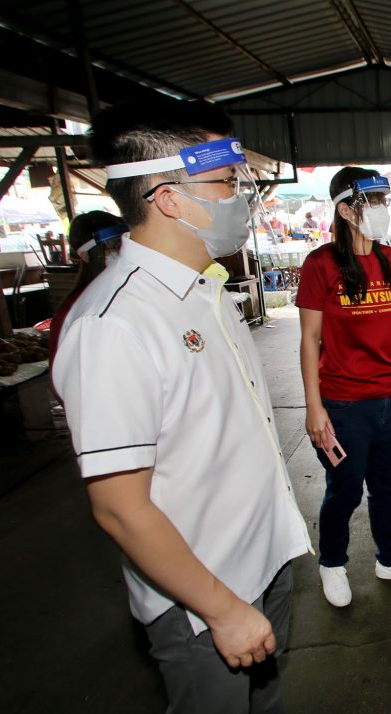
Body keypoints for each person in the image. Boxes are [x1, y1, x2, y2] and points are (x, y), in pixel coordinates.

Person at [52, 97, 312, 714]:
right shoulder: (114, 326)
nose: (240, 196)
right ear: (169, 197)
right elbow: (119, 508)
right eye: (225, 181)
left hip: (263, 564)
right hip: (203, 603)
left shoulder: (208, 289)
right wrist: (222, 610)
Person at [296, 166, 391, 608]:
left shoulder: (388, 259)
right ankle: (332, 562)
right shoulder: (320, 265)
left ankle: (389, 558)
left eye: (383, 201)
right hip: (343, 402)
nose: (381, 210)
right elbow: (309, 339)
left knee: (385, 486)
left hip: (389, 398)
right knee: (344, 489)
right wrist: (313, 407)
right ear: (345, 210)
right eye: (371, 201)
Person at [48, 210, 127, 376]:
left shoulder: (139, 292)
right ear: (85, 255)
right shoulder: (74, 311)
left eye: (126, 243)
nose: (123, 252)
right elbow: (62, 374)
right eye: (113, 246)